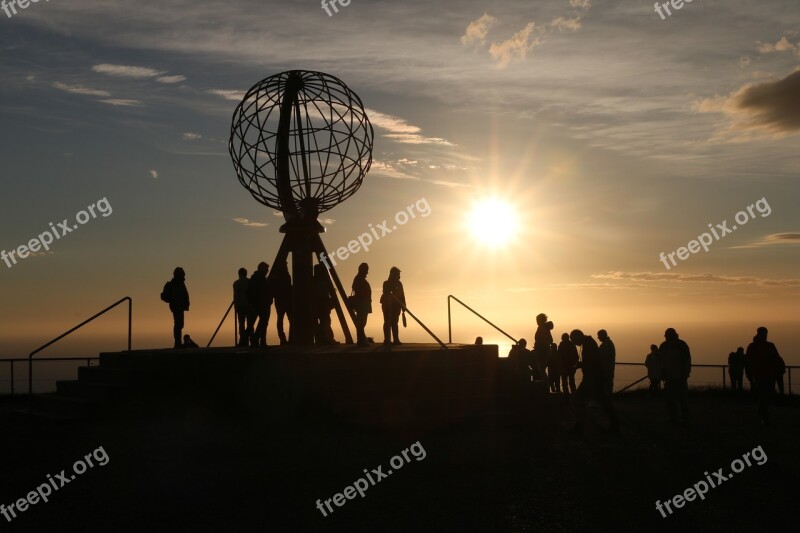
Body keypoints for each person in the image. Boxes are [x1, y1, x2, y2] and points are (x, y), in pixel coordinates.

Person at [569, 329, 620, 435]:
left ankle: (580, 426)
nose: (574, 343)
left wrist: (579, 365)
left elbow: (590, 363)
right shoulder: (589, 343)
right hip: (594, 378)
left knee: (576, 400)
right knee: (604, 403)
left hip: (592, 379)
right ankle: (614, 425)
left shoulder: (588, 345)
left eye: (573, 340)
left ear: (578, 336)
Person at [746, 327, 782, 425]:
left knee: (766, 395)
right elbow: (748, 362)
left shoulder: (768, 345)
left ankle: (763, 413)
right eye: (764, 333)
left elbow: (777, 358)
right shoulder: (754, 346)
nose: (765, 335)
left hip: (769, 374)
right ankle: (764, 416)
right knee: (764, 395)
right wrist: (750, 376)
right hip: (760, 375)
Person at [659, 328, 691, 425]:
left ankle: (684, 418)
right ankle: (673, 417)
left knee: (681, 399)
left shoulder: (681, 345)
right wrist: (662, 373)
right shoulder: (664, 346)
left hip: (679, 376)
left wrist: (685, 374)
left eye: (667, 335)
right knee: (670, 399)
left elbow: (687, 361)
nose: (666, 337)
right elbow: (661, 362)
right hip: (670, 377)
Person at [162, 267, 190, 349]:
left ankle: (178, 343)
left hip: (179, 306)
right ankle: (177, 343)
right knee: (178, 324)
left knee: (179, 325)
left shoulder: (179, 283)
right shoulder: (175, 284)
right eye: (182, 274)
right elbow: (166, 296)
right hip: (177, 306)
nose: (184, 276)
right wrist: (175, 301)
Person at [247, 262, 271, 348]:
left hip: (257, 304)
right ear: (262, 269)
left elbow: (249, 292)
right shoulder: (262, 280)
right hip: (262, 305)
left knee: (253, 324)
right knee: (263, 323)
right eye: (266, 269)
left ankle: (256, 341)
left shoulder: (253, 279)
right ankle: (258, 341)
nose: (267, 271)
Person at [380, 266, 405, 346]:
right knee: (387, 322)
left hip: (396, 306)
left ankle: (396, 339)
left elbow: (402, 295)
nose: (399, 276)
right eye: (397, 274)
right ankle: (387, 339)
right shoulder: (386, 283)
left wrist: (403, 306)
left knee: (395, 322)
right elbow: (386, 293)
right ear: (393, 274)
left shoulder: (399, 284)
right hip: (387, 306)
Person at [313, 263, 336, 344]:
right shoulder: (322, 281)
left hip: (318, 306)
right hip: (322, 306)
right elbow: (324, 293)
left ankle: (321, 339)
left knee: (323, 322)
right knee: (325, 322)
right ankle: (327, 339)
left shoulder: (314, 281)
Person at [351, 262, 372, 346]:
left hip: (364, 304)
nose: (367, 272)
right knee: (361, 322)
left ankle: (361, 339)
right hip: (361, 304)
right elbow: (356, 289)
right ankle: (360, 340)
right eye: (366, 270)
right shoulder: (359, 279)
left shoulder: (359, 279)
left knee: (362, 322)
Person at [271, 261, 292, 345]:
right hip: (286, 299)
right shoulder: (286, 275)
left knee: (280, 319)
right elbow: (288, 287)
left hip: (279, 300)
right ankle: (289, 338)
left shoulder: (275, 276)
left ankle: (282, 339)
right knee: (290, 319)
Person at [532, 313, 553, 382]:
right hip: (545, 350)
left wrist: (539, 346)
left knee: (541, 370)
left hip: (542, 351)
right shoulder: (546, 328)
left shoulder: (542, 328)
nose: (537, 321)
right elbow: (550, 340)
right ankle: (545, 385)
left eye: (537, 320)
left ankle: (545, 385)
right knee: (541, 369)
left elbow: (540, 340)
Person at [233, 267, 249, 347]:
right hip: (249, 305)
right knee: (250, 324)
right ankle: (250, 340)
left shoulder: (236, 283)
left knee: (241, 324)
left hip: (240, 306)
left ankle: (243, 341)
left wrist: (235, 306)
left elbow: (235, 296)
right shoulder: (249, 282)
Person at [598, 329, 616, 395]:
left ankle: (607, 402)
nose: (598, 338)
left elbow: (602, 356)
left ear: (602, 336)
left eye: (599, 336)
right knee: (608, 387)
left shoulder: (606, 345)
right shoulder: (608, 344)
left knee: (606, 387)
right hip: (608, 369)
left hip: (606, 370)